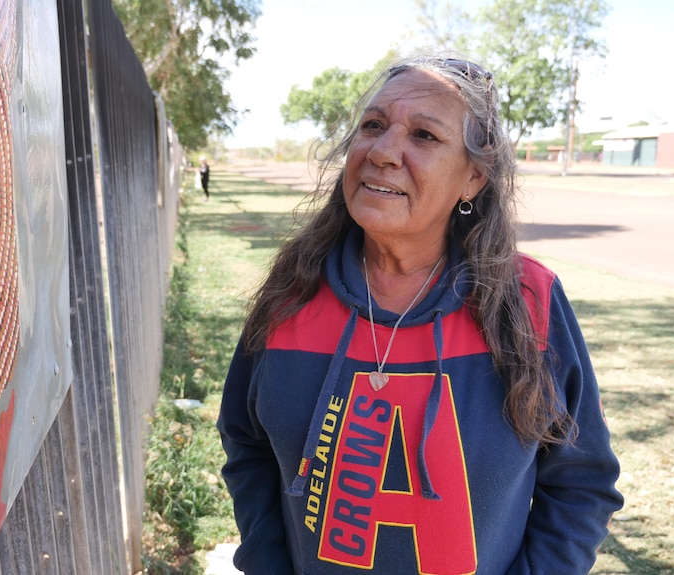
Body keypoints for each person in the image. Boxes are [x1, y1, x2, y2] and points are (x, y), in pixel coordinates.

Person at [217, 52, 623, 575]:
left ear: (474, 178)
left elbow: (581, 482)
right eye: (373, 125)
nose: (383, 151)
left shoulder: (528, 302)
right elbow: (246, 445)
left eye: (424, 136)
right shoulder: (290, 293)